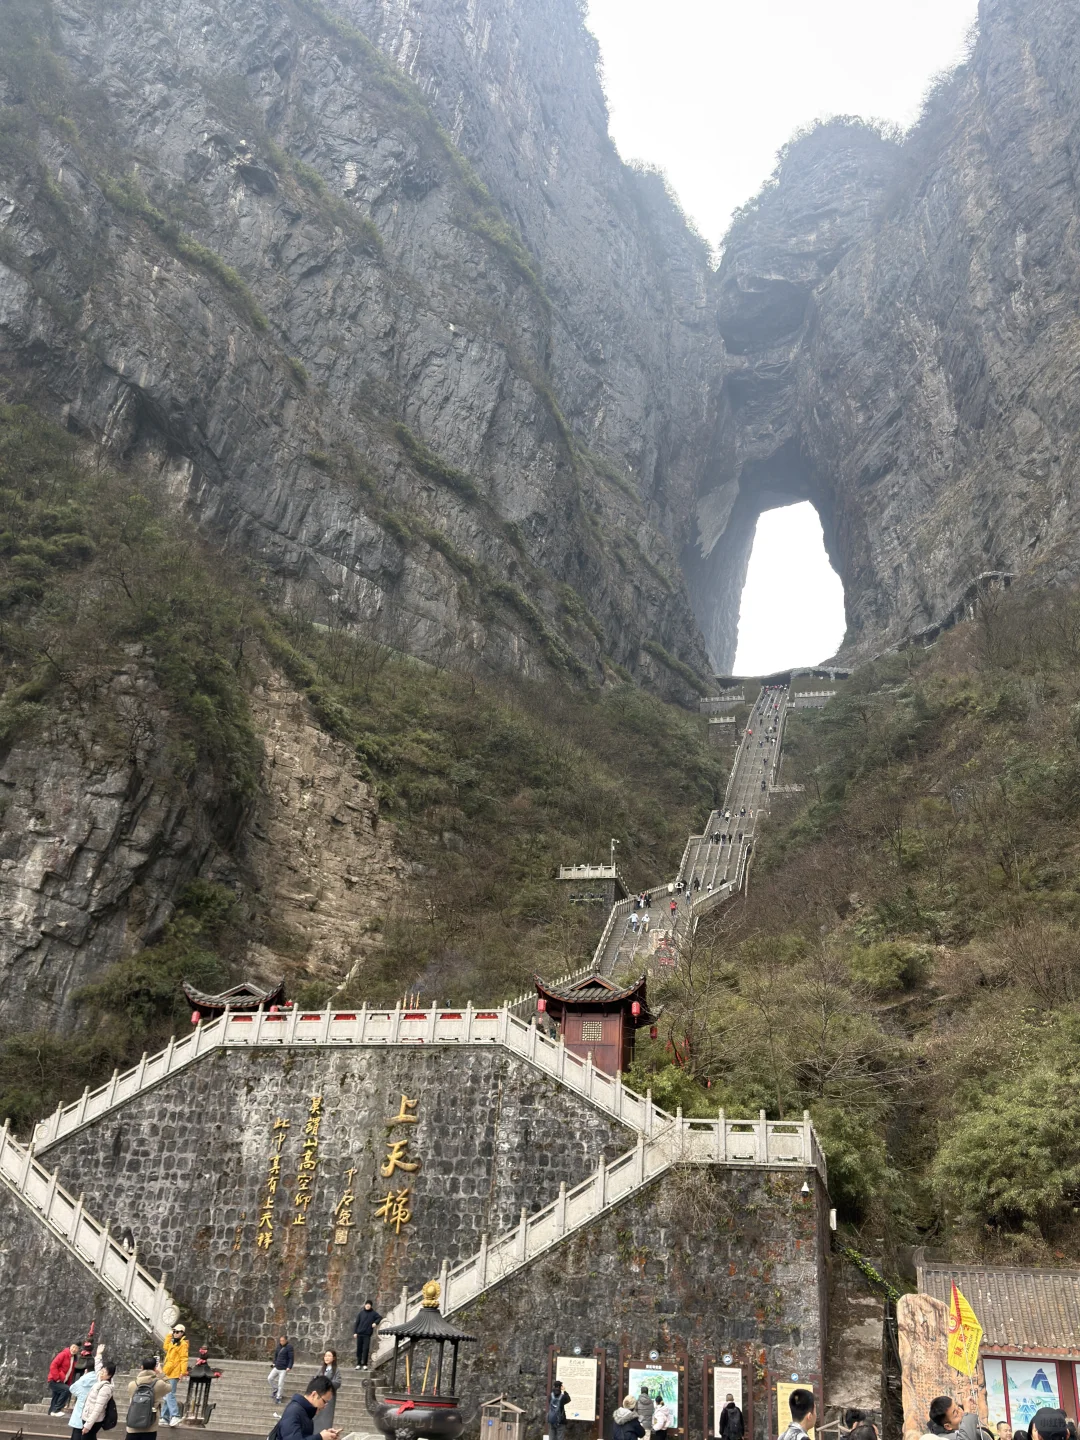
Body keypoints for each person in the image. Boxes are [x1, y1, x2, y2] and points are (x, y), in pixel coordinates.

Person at [279, 1376, 340, 1440]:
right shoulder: (293, 1412)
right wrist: (320, 1437)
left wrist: (325, 1435)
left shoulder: (306, 1412)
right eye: (324, 1401)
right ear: (314, 1395)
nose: (324, 1406)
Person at [125, 1357, 167, 1440]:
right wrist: (161, 1374)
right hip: (150, 1424)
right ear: (155, 1368)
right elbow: (169, 1387)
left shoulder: (132, 1384)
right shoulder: (159, 1384)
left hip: (133, 1423)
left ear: (141, 1367)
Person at [161, 1322, 188, 1427]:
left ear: (182, 1333)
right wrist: (169, 1335)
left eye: (177, 1332)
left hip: (174, 1372)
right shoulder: (173, 1342)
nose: (175, 1333)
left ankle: (175, 1415)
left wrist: (183, 1372)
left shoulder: (183, 1344)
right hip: (168, 1371)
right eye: (174, 1331)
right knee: (167, 1395)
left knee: (170, 1394)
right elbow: (165, 1347)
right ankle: (164, 1417)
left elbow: (184, 1358)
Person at [81, 1360, 117, 1440]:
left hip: (93, 1421)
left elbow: (98, 1409)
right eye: (102, 1371)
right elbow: (97, 1368)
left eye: (104, 1372)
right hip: (89, 1417)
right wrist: (99, 1355)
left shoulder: (105, 1388)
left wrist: (88, 1425)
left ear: (109, 1375)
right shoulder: (101, 1381)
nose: (101, 1373)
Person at [68, 1366, 99, 1440]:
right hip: (91, 1416)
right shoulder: (99, 1380)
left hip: (79, 1415)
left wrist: (84, 1377)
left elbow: (72, 1388)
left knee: (77, 1433)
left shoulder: (83, 1380)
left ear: (86, 1370)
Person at [49, 1344, 80, 1414]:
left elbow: (70, 1372)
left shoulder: (74, 1359)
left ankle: (51, 1413)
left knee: (56, 1397)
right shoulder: (63, 1354)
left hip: (63, 1381)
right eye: (73, 1347)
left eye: (76, 1348)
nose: (74, 1349)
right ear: (70, 1347)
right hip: (55, 1380)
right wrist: (56, 1378)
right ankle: (57, 1410)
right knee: (67, 1390)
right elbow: (53, 1365)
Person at [315, 1351, 341, 1435]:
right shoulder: (321, 1369)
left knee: (326, 1417)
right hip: (319, 1396)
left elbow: (338, 1382)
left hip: (329, 1398)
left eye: (329, 1356)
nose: (327, 1358)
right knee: (316, 1417)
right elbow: (314, 1379)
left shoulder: (336, 1370)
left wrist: (327, 1382)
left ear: (334, 1358)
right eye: (326, 1356)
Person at [353, 1301, 381, 1369]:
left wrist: (375, 1323)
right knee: (359, 1349)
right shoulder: (361, 1313)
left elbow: (379, 1317)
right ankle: (358, 1363)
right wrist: (355, 1332)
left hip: (367, 1334)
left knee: (366, 1349)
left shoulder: (373, 1313)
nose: (367, 1306)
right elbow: (357, 1323)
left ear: (371, 1306)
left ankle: (365, 1364)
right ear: (365, 1305)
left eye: (369, 1305)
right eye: (366, 1305)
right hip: (359, 1334)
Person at [269, 1336, 295, 1404]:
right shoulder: (278, 1346)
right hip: (277, 1366)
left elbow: (291, 1358)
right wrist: (274, 1363)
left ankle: (278, 1397)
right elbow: (276, 1356)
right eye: (280, 1340)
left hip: (283, 1368)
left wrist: (289, 1366)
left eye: (283, 1340)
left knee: (280, 1383)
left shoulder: (289, 1347)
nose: (281, 1342)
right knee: (270, 1378)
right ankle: (275, 1389)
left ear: (286, 1340)